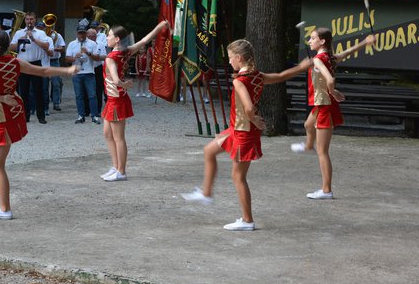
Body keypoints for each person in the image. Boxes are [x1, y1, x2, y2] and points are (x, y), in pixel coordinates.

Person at [181, 39, 311, 231]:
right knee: (209, 151)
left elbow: (249, 107)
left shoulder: (240, 81)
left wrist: (255, 119)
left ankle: (247, 221)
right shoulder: (257, 76)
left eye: (231, 58)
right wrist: (301, 67)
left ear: (239, 58)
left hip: (243, 132)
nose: (230, 61)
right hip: (236, 129)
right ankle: (206, 193)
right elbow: (282, 75)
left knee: (238, 177)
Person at [0, 30, 78, 220]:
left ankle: (5, 210)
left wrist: (2, 98)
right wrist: (67, 70)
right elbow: (43, 71)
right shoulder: (14, 62)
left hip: (2, 114)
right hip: (14, 111)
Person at [291, 28, 375, 200]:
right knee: (308, 125)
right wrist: (365, 42)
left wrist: (333, 91)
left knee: (323, 151)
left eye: (313, 38)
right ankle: (308, 146)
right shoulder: (329, 57)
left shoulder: (318, 60)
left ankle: (326, 190)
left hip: (325, 105)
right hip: (320, 104)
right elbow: (348, 52)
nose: (310, 41)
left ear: (322, 41)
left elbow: (330, 79)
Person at [100, 20, 170, 182]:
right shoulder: (126, 52)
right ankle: (115, 166)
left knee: (118, 138)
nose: (106, 37)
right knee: (107, 134)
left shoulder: (112, 57)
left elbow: (116, 80)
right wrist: (159, 27)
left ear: (117, 39)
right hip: (113, 99)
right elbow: (145, 40)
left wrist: (124, 84)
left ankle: (121, 171)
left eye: (109, 35)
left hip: (117, 99)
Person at [10, 12, 54, 124]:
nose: (29, 21)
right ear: (25, 21)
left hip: (36, 63)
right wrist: (21, 40)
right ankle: (26, 116)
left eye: (31, 19)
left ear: (35, 20)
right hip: (22, 64)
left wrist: (33, 39)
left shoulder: (41, 33)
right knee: (23, 92)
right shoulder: (19, 32)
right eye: (27, 19)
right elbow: (11, 47)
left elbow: (46, 46)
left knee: (38, 91)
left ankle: (41, 116)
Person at [65, 20, 100, 124]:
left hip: (89, 72)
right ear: (77, 33)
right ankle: (81, 115)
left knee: (92, 95)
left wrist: (88, 53)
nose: (81, 34)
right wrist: (74, 57)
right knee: (79, 95)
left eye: (83, 33)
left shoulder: (92, 43)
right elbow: (67, 59)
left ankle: (94, 116)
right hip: (77, 73)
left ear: (86, 33)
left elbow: (97, 58)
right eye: (80, 33)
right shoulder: (72, 44)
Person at [87, 27, 107, 114]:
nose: (92, 38)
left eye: (93, 36)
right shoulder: (84, 44)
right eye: (90, 36)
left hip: (98, 68)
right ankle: (86, 110)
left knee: (98, 90)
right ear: (87, 36)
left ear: (96, 36)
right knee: (86, 90)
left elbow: (104, 57)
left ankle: (98, 110)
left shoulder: (101, 44)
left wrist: (95, 57)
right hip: (87, 67)